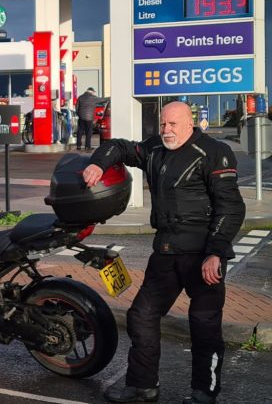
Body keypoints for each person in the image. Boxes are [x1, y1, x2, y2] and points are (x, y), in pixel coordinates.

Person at [83, 102, 244, 404]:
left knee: (204, 324)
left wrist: (216, 253)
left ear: (189, 123)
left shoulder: (213, 152)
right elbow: (119, 147)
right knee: (141, 315)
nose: (167, 130)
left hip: (202, 254)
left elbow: (232, 207)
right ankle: (143, 386)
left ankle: (203, 394)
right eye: (163, 125)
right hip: (166, 251)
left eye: (173, 124)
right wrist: (98, 163)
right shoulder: (155, 148)